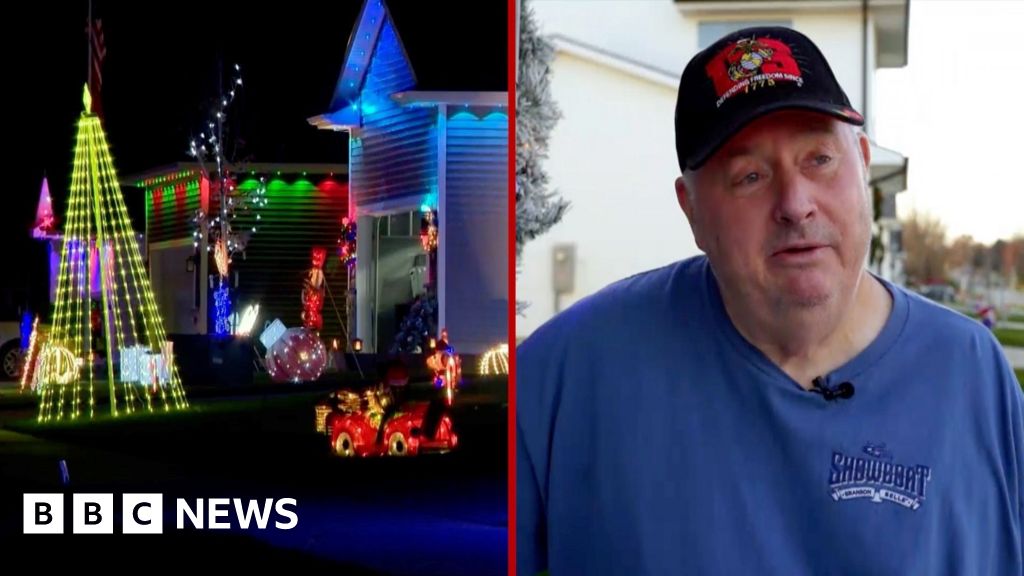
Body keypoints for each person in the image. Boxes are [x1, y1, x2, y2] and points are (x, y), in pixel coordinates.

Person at [516, 26, 1023, 575]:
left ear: (862, 164)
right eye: (750, 176)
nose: (795, 204)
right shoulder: (566, 378)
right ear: (692, 212)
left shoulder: (973, 378)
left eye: (819, 159)